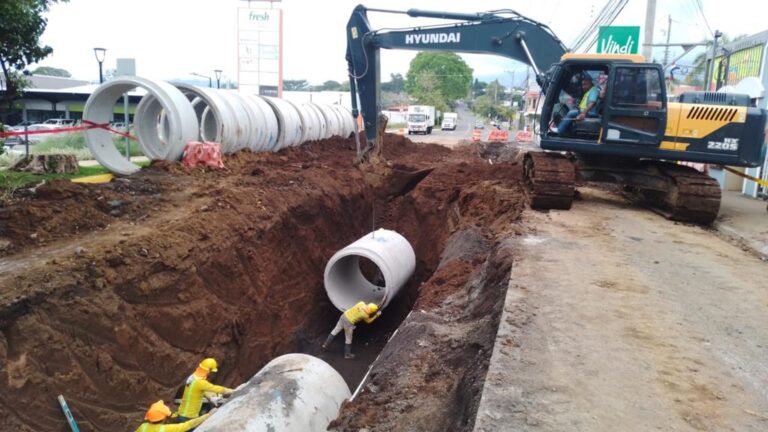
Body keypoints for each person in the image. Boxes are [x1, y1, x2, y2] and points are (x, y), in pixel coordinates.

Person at [174, 358, 233, 423]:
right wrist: (233, 391)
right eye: (211, 372)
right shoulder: (200, 382)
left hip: (182, 414)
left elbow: (201, 390)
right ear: (208, 371)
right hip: (188, 417)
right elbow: (216, 388)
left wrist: (210, 398)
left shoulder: (192, 378)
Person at [135, 400, 212, 432]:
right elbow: (187, 425)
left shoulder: (143, 426)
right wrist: (207, 415)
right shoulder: (167, 429)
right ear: (164, 418)